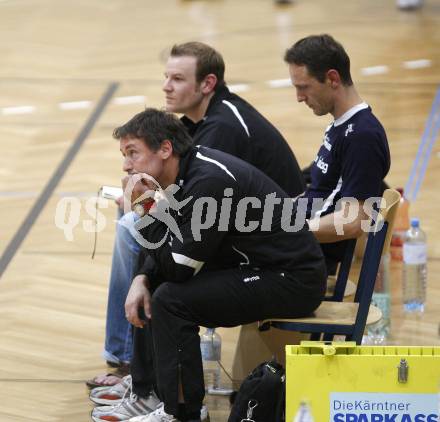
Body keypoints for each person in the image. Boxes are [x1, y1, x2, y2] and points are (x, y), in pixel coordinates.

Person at [91, 41, 305, 388]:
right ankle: (130, 360)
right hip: (237, 233)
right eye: (166, 77)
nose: (166, 86)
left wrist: (146, 207)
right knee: (138, 224)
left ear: (206, 84)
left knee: (136, 228)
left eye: (177, 78)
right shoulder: (195, 122)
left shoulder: (223, 128)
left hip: (271, 248)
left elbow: (195, 206)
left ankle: (135, 366)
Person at [94, 108, 326, 422]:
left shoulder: (209, 181)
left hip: (290, 278)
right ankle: (149, 393)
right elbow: (171, 244)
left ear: (165, 149)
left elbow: (180, 266)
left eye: (132, 153)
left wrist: (145, 208)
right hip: (255, 267)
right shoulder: (184, 172)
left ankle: (184, 413)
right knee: (156, 286)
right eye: (124, 155)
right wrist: (142, 278)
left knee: (170, 300)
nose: (126, 165)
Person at [284, 34, 391, 271]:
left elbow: (354, 222)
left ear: (332, 78)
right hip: (299, 234)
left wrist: (284, 232)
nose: (299, 98)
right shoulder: (341, 125)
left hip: (306, 259)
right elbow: (322, 192)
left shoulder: (362, 135)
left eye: (303, 87)